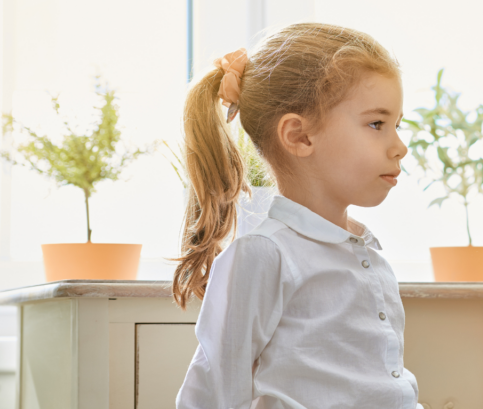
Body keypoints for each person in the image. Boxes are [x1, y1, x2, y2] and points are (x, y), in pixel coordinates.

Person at [172, 23, 420, 408]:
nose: (400, 146)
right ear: (300, 137)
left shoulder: (368, 254)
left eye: (397, 126)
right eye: (377, 124)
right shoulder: (264, 254)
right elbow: (214, 392)